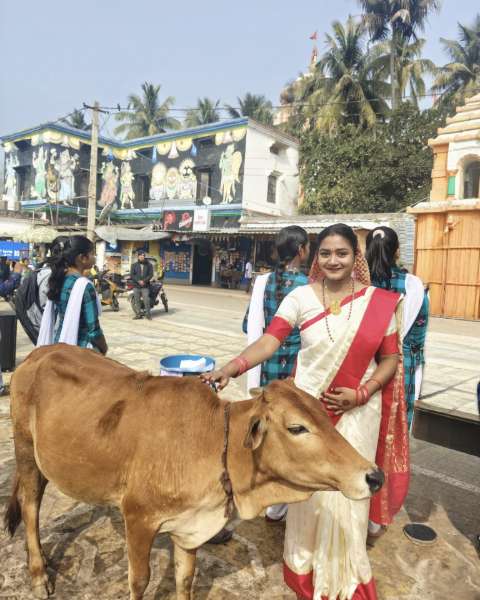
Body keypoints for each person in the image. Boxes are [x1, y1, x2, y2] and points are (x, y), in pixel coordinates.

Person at [202, 223, 409, 600]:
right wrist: (231, 368)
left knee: (351, 490)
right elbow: (270, 340)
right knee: (310, 493)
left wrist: (362, 392)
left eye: (342, 253)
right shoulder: (300, 297)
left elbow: (391, 359)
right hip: (310, 413)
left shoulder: (379, 301)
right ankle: (305, 565)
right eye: (325, 253)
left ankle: (347, 570)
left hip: (359, 410)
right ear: (316, 257)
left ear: (355, 257)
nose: (333, 260)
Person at [242, 226, 310, 522]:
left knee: (266, 426)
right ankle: (281, 501)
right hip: (294, 368)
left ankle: (261, 488)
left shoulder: (263, 282)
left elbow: (248, 324)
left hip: (265, 363)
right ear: (301, 251)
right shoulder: (309, 286)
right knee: (291, 431)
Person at [366, 226, 429, 429]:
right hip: (401, 365)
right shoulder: (413, 285)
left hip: (363, 365)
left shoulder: (356, 284)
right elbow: (417, 335)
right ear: (397, 251)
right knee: (394, 426)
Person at [37, 235, 108, 354]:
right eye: (92, 254)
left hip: (59, 343)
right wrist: (104, 348)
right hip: (81, 349)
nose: (94, 258)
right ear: (82, 258)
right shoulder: (85, 286)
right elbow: (94, 330)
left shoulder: (58, 279)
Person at [131, 250, 153, 320]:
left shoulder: (149, 265)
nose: (142, 257)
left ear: (144, 257)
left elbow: (151, 275)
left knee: (146, 300)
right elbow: (132, 275)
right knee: (137, 301)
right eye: (140, 255)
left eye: (143, 256)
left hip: (145, 286)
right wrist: (138, 281)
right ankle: (138, 314)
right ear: (138, 256)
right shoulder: (134, 265)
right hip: (136, 286)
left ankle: (148, 314)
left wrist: (144, 281)